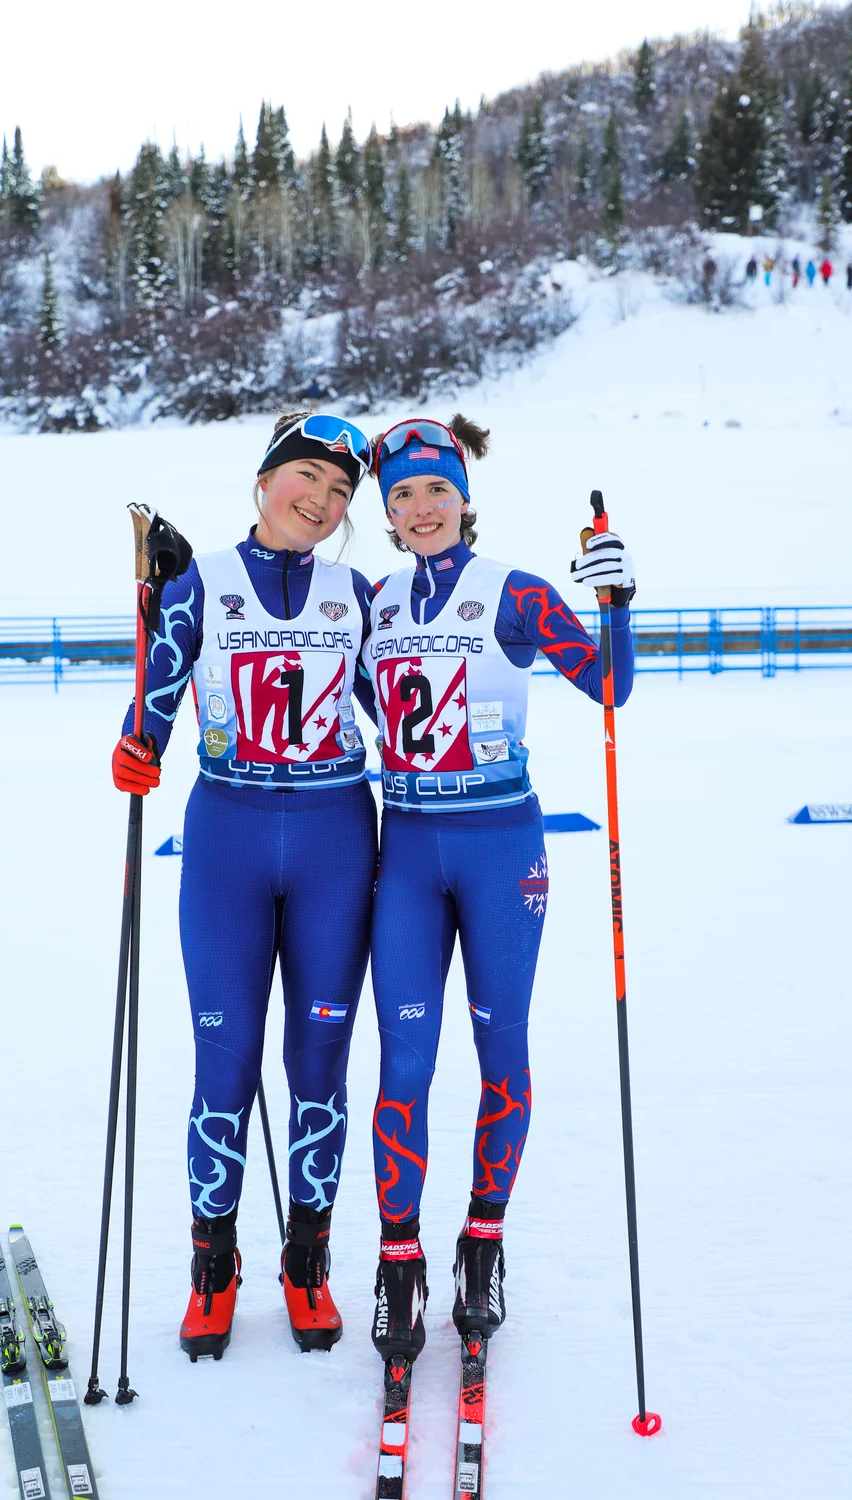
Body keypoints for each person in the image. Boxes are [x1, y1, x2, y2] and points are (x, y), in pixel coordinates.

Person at [361, 416, 635, 1365]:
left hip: (499, 848)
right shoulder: (375, 604)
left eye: (437, 491)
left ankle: (482, 1247)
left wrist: (616, 601)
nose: (422, 508)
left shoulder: (511, 593)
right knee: (403, 1063)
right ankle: (401, 1267)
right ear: (388, 515)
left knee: (498, 1050)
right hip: (410, 851)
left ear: (465, 499)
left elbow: (608, 689)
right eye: (402, 496)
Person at [112, 412, 379, 1359]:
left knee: (320, 1072)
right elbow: (155, 697)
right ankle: (213, 1267)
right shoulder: (200, 581)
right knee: (221, 1071)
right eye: (307, 475)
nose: (323, 498)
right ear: (264, 482)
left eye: (342, 491)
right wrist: (137, 746)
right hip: (226, 836)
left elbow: (418, 699)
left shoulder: (362, 596)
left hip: (335, 839)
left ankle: (306, 1266)